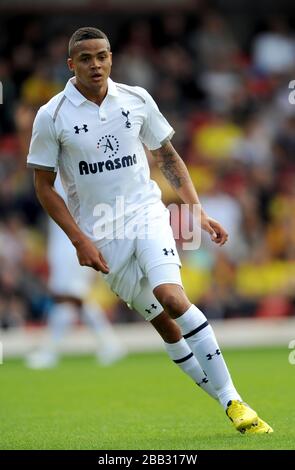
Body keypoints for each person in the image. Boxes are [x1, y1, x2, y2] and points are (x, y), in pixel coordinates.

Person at [27, 27, 272, 434]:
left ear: (111, 58)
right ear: (71, 64)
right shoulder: (52, 115)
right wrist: (79, 239)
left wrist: (198, 212)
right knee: (164, 324)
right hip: (102, 232)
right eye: (85, 58)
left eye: (102, 56)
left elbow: (168, 157)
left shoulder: (137, 99)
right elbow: (42, 185)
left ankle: (234, 400)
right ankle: (231, 403)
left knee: (171, 296)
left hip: (146, 212)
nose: (96, 64)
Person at [26, 172, 126, 369]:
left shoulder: (74, 165)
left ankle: (50, 352)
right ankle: (110, 344)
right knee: (75, 296)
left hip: (73, 239)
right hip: (62, 238)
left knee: (67, 296)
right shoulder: (57, 162)